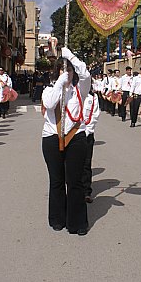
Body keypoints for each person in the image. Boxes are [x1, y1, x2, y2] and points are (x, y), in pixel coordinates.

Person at [41, 47, 91, 235]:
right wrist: (59, 83)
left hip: (75, 136)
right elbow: (51, 104)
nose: (66, 73)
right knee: (57, 181)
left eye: (69, 70)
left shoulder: (80, 90)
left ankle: (77, 222)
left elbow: (85, 74)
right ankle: (57, 218)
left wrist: (70, 56)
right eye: (63, 70)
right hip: (52, 137)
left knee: (75, 181)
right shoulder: (48, 90)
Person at [82, 88, 100, 203]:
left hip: (87, 134)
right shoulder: (70, 93)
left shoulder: (93, 97)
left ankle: (86, 192)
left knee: (86, 164)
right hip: (71, 135)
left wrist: (87, 131)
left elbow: (95, 115)